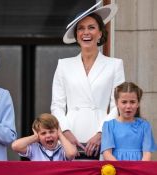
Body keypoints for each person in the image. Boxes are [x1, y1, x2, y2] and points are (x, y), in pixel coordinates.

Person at [50, 1, 125, 159]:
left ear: (100, 33)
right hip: (70, 135)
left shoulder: (115, 65)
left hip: (102, 134)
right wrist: (65, 132)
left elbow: (117, 105)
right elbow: (57, 105)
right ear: (76, 35)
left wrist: (101, 134)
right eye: (81, 28)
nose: (86, 32)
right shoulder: (63, 65)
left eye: (91, 27)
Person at [101, 82, 157, 161]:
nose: (128, 106)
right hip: (116, 169)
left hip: (138, 170)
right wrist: (121, 169)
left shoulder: (145, 126)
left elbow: (147, 154)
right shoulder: (108, 126)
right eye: (124, 102)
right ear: (117, 103)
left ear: (138, 103)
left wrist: (138, 170)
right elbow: (107, 154)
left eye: (132, 102)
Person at [11, 113, 77, 161]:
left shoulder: (63, 148)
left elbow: (71, 154)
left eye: (51, 132)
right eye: (43, 133)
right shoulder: (34, 148)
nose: (48, 135)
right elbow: (15, 146)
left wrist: (60, 135)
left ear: (57, 131)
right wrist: (34, 137)